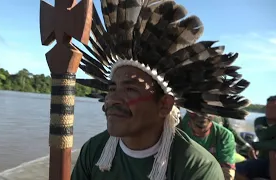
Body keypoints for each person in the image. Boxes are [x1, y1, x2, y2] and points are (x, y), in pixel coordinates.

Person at [72, 0, 251, 179]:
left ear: (164, 105)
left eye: (130, 89)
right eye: (112, 88)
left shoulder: (197, 168)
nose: (112, 100)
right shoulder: (94, 150)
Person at [179, 112, 236, 180]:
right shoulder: (178, 129)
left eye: (208, 111)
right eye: (196, 109)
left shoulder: (224, 136)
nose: (202, 114)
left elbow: (227, 172)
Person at [236, 95, 276, 180]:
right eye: (268, 107)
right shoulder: (260, 121)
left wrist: (255, 145)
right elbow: (263, 134)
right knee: (233, 169)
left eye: (273, 108)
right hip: (263, 161)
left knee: (273, 153)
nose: (269, 110)